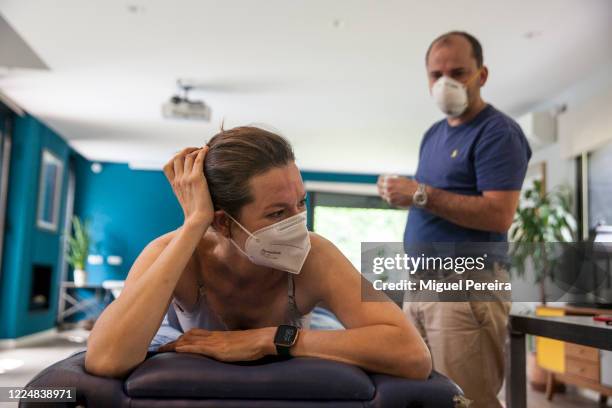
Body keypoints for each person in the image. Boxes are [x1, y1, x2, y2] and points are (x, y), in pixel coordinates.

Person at [85, 126, 431, 381]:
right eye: (277, 214)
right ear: (222, 222)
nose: (297, 224)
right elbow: (106, 359)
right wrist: (194, 225)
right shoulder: (173, 251)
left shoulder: (318, 255)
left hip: (311, 323)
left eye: (301, 204)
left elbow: (413, 354)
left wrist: (270, 339)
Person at [377, 31, 531, 407]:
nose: (445, 82)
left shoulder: (498, 132)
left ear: (482, 74)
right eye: (436, 74)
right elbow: (434, 202)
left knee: (466, 400)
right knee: (424, 395)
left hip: (465, 284)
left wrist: (419, 194)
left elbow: (499, 214)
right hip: (421, 286)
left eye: (458, 71)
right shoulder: (434, 135)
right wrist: (410, 197)